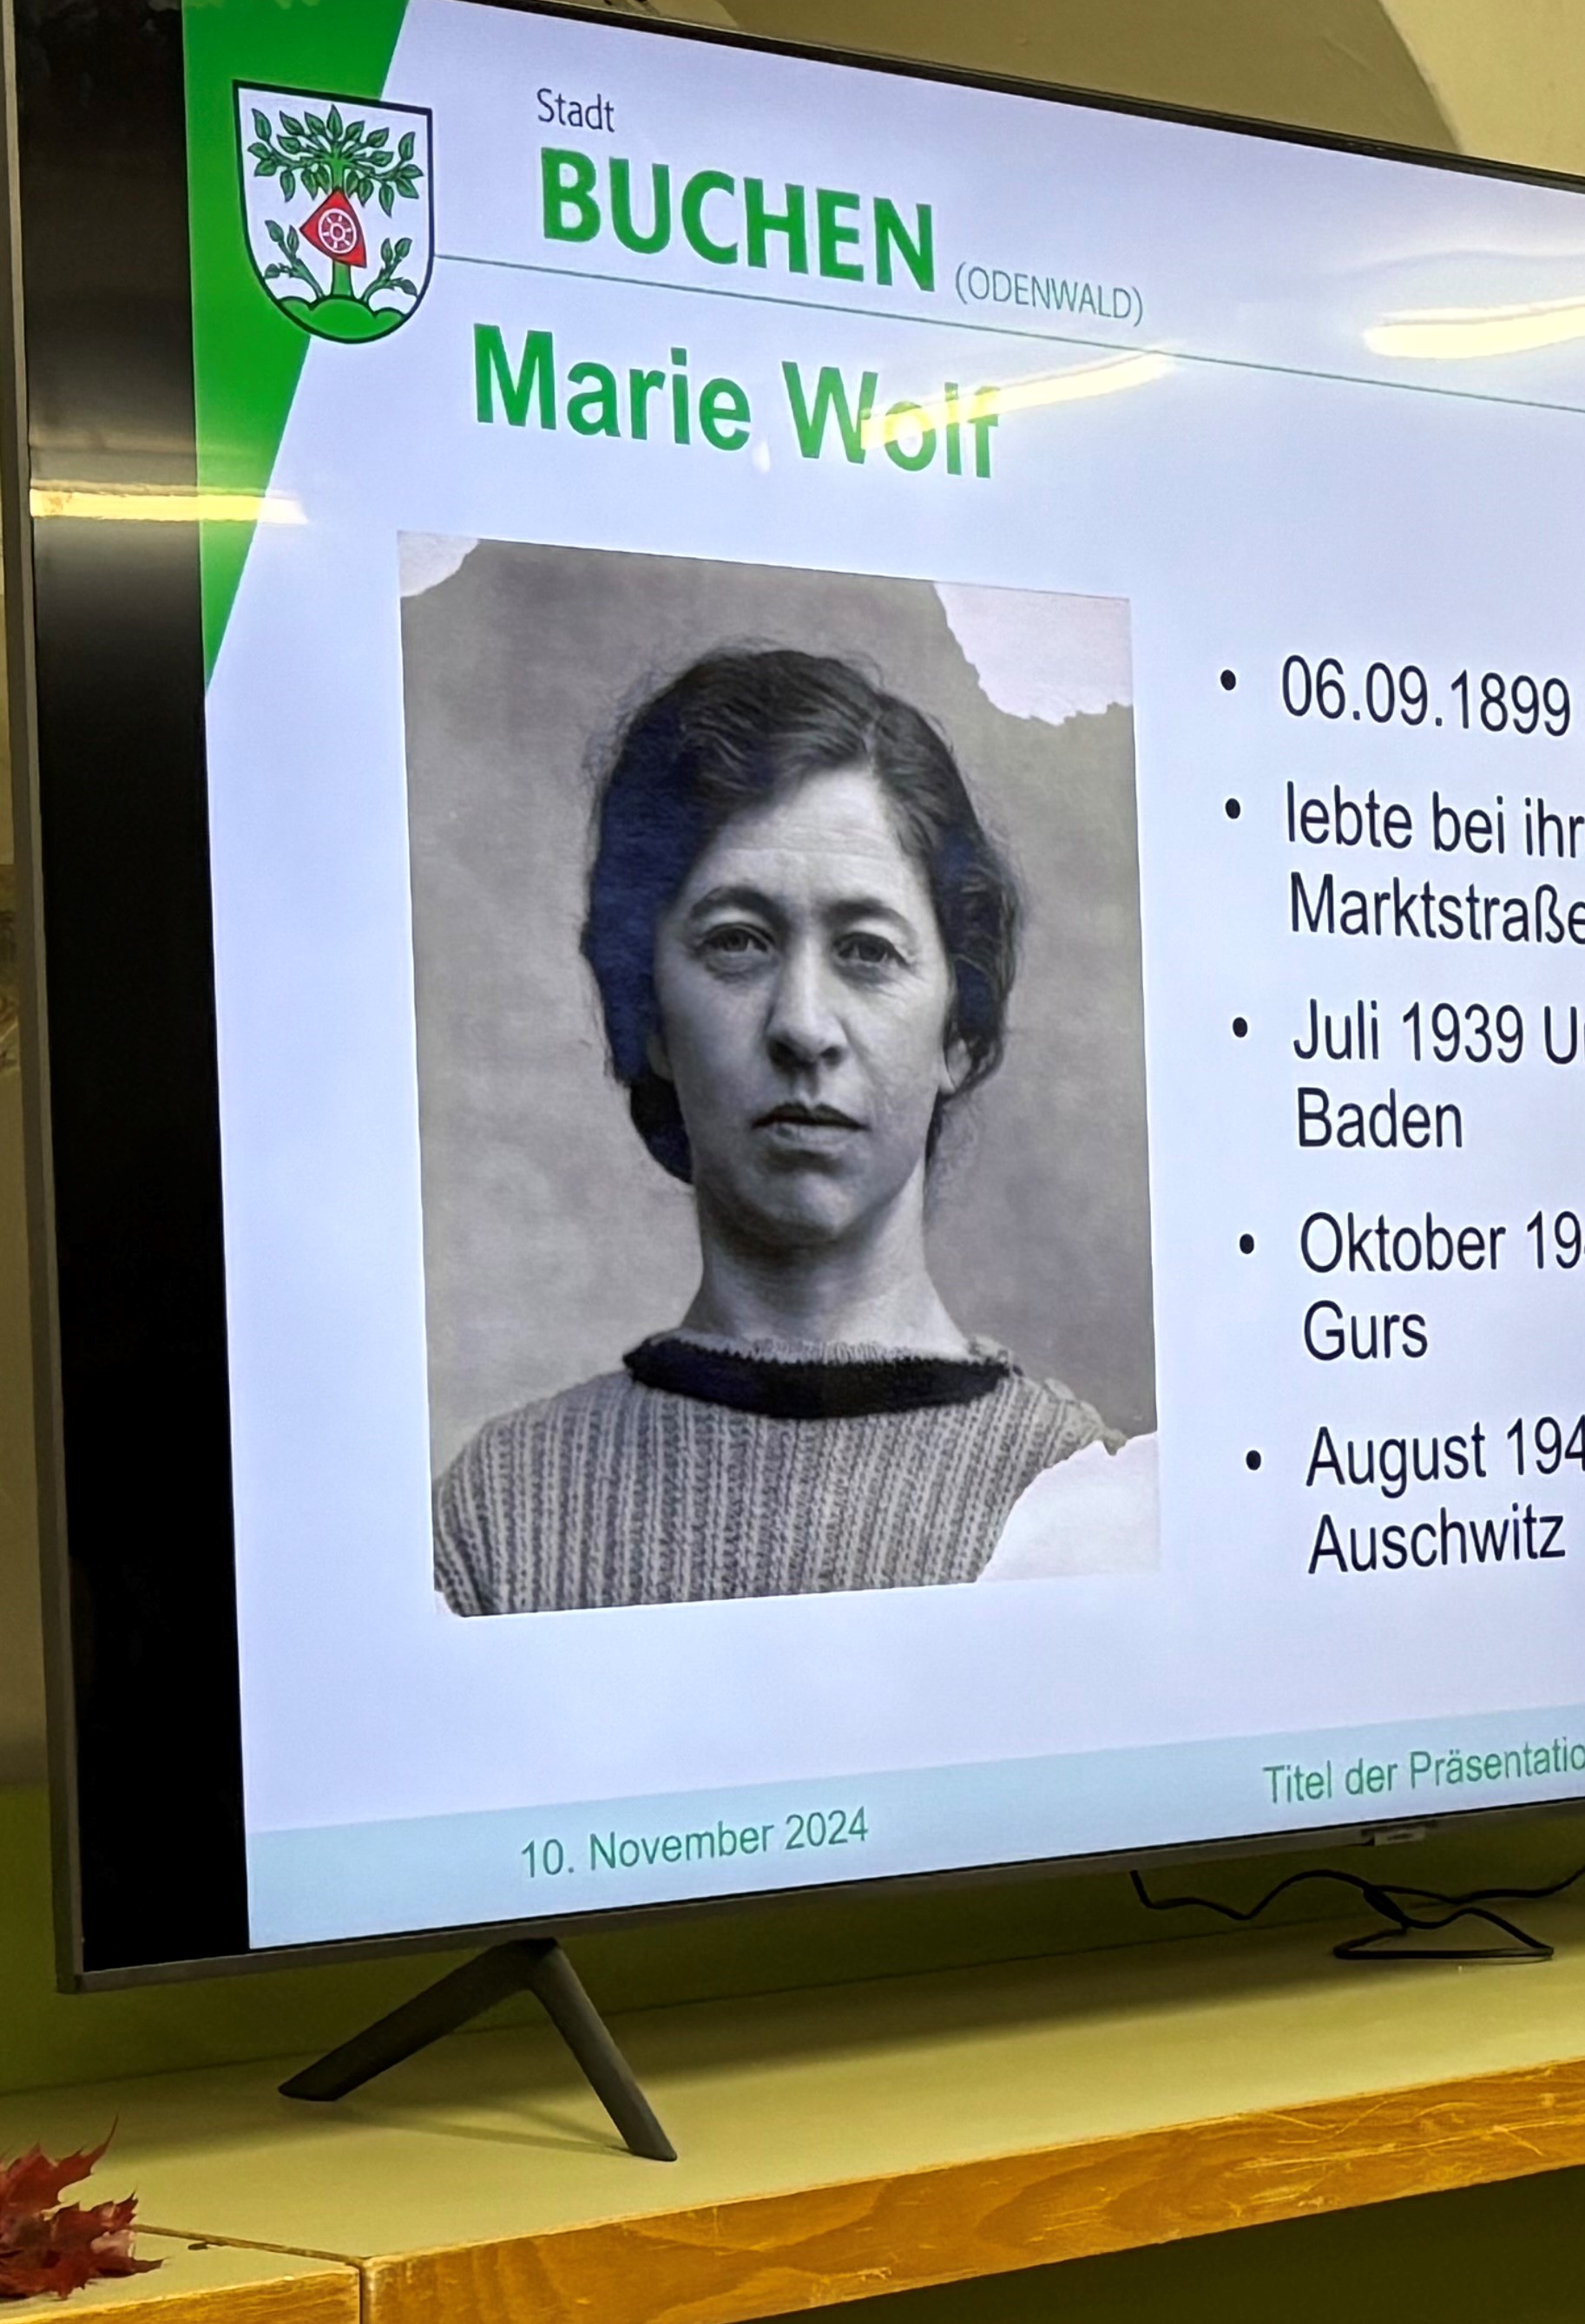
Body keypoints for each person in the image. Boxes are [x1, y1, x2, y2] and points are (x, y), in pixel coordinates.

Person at [434, 646, 1152, 1614]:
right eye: (738, 941)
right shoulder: (497, 1521)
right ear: (646, 1013)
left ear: (960, 1029)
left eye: (867, 950)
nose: (803, 1026)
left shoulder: (1095, 1508)